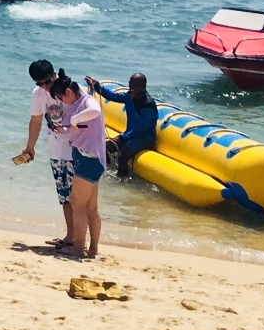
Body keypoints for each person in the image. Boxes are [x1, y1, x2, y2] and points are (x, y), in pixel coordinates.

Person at [13, 58, 78, 248]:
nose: (45, 87)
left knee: (79, 198)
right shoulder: (38, 94)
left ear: (54, 75)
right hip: (56, 151)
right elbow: (35, 120)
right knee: (64, 196)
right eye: (39, 83)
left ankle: (82, 240)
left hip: (76, 150)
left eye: (47, 82)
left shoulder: (69, 89)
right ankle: (70, 237)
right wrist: (30, 147)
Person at [50, 75, 107, 259]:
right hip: (87, 157)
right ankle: (93, 250)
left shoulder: (87, 101)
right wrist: (65, 128)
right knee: (91, 206)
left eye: (62, 98)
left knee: (77, 203)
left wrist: (74, 120)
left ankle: (78, 247)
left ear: (68, 92)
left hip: (89, 158)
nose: (62, 102)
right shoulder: (75, 103)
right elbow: (77, 128)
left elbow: (95, 110)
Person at [89, 74, 158, 181]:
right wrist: (96, 85)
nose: (130, 86)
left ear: (143, 87)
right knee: (106, 147)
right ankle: (106, 175)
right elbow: (112, 96)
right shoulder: (129, 96)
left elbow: (141, 128)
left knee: (123, 155)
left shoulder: (148, 104)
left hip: (144, 139)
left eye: (134, 84)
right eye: (130, 83)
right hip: (130, 135)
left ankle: (123, 180)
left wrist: (123, 137)